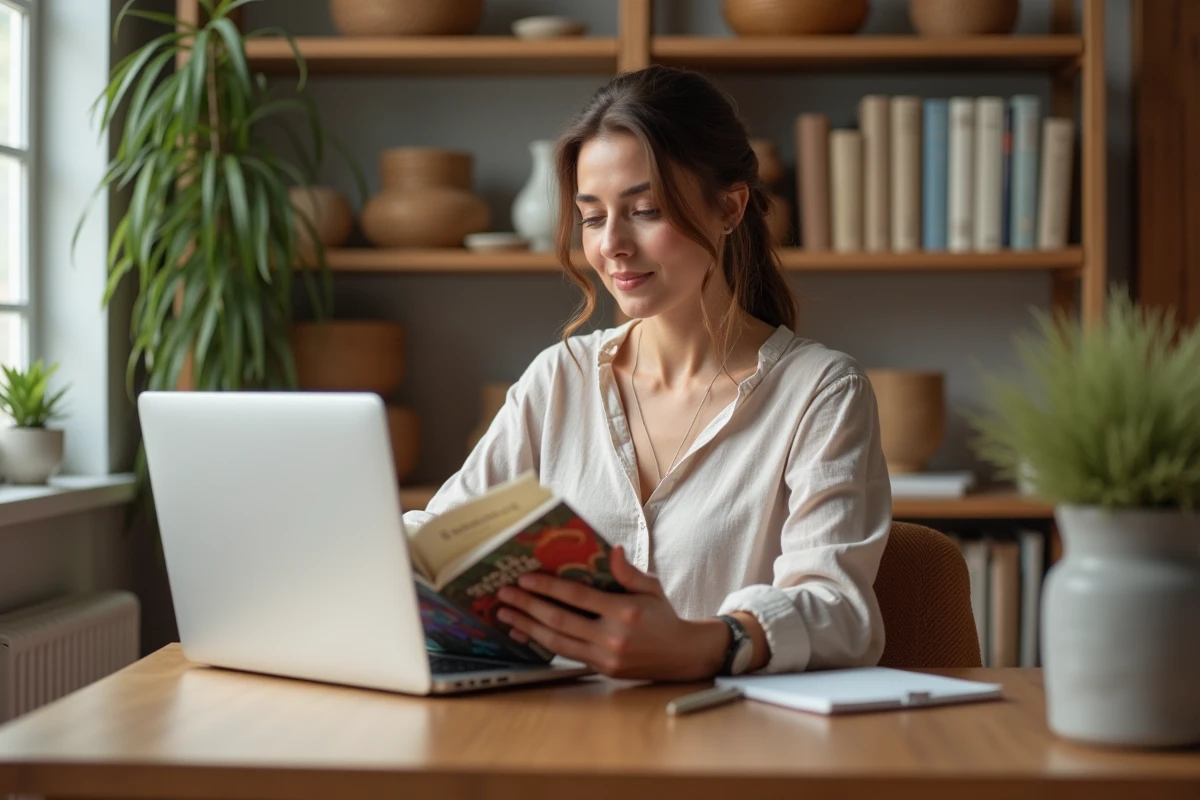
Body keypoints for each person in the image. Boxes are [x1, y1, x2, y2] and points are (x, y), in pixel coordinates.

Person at [402, 65, 891, 682]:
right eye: (592, 216)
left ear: (730, 207)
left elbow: (840, 609)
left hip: (729, 748)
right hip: (556, 746)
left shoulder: (820, 393)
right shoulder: (558, 381)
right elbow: (444, 538)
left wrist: (707, 643)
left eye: (645, 210)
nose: (612, 246)